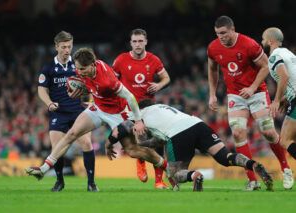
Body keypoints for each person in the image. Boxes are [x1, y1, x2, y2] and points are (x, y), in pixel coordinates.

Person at [25, 48, 169, 185]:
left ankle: (166, 166)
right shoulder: (82, 71)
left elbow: (130, 96)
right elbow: (88, 86)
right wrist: (83, 96)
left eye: (82, 69)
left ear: (92, 65)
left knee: (132, 150)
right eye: (77, 68)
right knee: (72, 133)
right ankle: (43, 169)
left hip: (117, 113)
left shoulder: (108, 80)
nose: (78, 72)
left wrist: (138, 121)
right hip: (98, 108)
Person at [105, 99, 274, 191]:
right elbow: (159, 138)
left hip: (178, 133)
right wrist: (147, 144)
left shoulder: (139, 115)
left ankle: (195, 176)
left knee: (174, 174)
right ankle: (253, 164)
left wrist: (109, 144)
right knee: (224, 157)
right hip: (197, 124)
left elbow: (119, 130)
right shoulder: (164, 107)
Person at [207, 16, 293, 190]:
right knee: (238, 133)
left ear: (232, 29)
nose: (221, 37)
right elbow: (212, 69)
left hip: (258, 93)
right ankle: (252, 180)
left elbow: (265, 66)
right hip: (235, 95)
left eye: (223, 33)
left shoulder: (249, 44)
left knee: (268, 132)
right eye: (217, 33)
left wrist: (253, 87)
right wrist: (212, 94)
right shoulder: (213, 47)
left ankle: (286, 169)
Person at [36, 31, 97, 192]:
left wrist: (89, 102)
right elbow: (41, 90)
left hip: (79, 111)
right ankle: (59, 181)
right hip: (59, 112)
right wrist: (49, 104)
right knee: (56, 147)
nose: (67, 50)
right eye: (63, 47)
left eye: (69, 46)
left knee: (86, 143)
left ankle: (91, 183)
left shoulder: (77, 65)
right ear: (56, 46)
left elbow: (90, 83)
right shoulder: (48, 68)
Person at [113, 28, 171, 189]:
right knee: (138, 140)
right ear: (130, 43)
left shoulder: (153, 60)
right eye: (135, 41)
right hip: (128, 109)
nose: (138, 44)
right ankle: (140, 161)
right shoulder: (121, 60)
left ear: (146, 41)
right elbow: (112, 82)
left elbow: (166, 77)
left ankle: (159, 181)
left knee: (158, 140)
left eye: (140, 41)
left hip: (148, 107)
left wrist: (159, 85)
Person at [261, 27, 296, 177]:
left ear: (270, 41)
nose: (262, 42)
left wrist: (276, 101)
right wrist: (285, 98)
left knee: (285, 140)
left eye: (263, 39)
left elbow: (285, 76)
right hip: (293, 98)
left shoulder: (274, 56)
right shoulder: (289, 53)